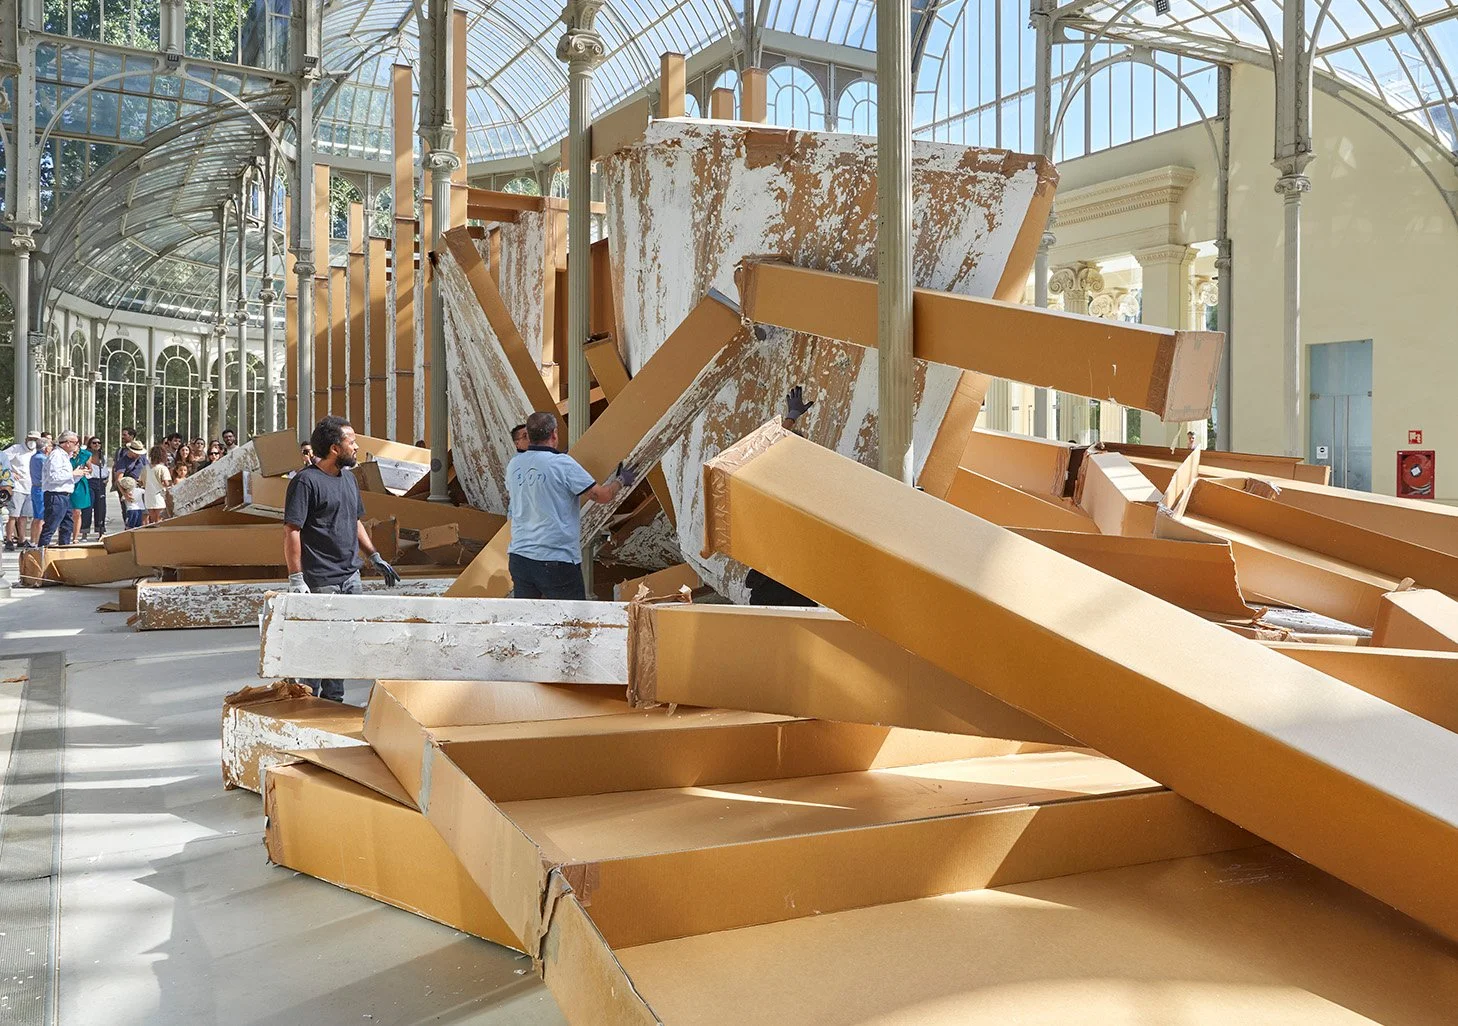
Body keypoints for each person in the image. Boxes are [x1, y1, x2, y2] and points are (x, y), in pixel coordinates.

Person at [284, 415, 401, 702]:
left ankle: (334, 701)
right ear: (335, 448)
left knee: (342, 645)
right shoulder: (305, 482)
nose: (357, 446)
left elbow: (354, 521)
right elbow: (292, 530)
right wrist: (296, 578)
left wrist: (374, 555)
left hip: (350, 577)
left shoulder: (349, 479)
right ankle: (307, 700)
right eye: (352, 441)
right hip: (321, 579)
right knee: (318, 644)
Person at [505, 411, 635, 600]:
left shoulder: (514, 465)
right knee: (572, 616)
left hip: (520, 558)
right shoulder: (562, 464)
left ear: (529, 436)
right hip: (555, 559)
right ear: (554, 434)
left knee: (528, 616)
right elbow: (602, 496)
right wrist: (621, 481)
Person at [745, 387, 817, 607]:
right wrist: (790, 419)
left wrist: (791, 418)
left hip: (785, 579)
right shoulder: (790, 483)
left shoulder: (778, 482)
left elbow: (771, 451)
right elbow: (774, 451)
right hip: (782, 579)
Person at [38, 432, 88, 547]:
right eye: (76, 443)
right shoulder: (56, 455)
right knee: (51, 525)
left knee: (67, 526)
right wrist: (73, 473)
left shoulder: (65, 456)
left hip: (65, 495)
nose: (77, 445)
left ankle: (63, 549)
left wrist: (79, 474)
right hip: (55, 495)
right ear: (68, 443)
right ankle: (41, 551)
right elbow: (53, 477)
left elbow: (67, 480)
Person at [3, 431, 41, 551]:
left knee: (24, 516)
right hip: (18, 487)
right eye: (31, 439)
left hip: (30, 487)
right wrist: (11, 472)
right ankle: (9, 539)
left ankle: (21, 539)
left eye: (36, 439)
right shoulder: (16, 449)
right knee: (13, 514)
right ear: (26, 439)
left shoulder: (36, 452)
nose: (33, 442)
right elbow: (2, 459)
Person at [115, 439, 148, 529]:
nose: (138, 455)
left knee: (144, 513)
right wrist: (124, 494)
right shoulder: (123, 461)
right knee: (131, 514)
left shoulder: (142, 458)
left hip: (141, 488)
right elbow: (119, 479)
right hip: (129, 489)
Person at [68, 437, 94, 542]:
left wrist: (86, 470)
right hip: (66, 482)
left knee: (77, 511)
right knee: (65, 511)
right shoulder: (64, 454)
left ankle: (75, 538)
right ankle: (64, 535)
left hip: (79, 483)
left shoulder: (85, 454)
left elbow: (90, 468)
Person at [29, 433, 52, 546]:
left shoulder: (34, 457)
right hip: (41, 489)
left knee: (36, 516)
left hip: (35, 488)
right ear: (45, 448)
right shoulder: (43, 459)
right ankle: (38, 541)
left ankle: (33, 540)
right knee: (41, 517)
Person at [83, 436, 107, 539]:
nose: (97, 445)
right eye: (94, 443)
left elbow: (105, 469)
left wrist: (107, 478)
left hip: (101, 481)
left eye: (99, 443)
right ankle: (84, 531)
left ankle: (100, 530)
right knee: (88, 507)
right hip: (90, 481)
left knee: (101, 507)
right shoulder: (86, 455)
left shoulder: (103, 456)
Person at [143, 444, 172, 525]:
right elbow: (166, 483)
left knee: (152, 519)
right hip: (160, 495)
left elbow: (141, 482)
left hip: (148, 495)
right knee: (160, 519)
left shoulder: (145, 468)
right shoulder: (163, 468)